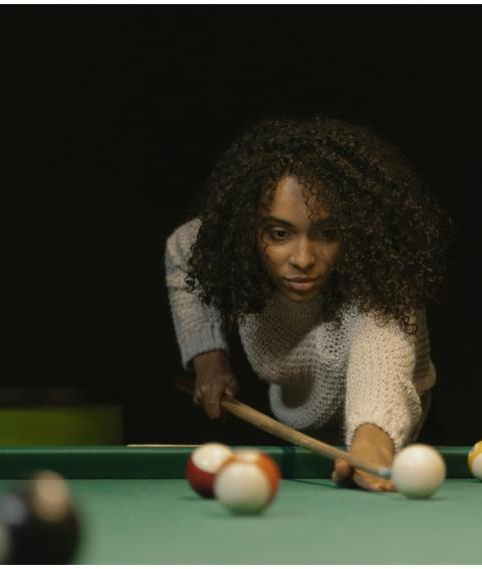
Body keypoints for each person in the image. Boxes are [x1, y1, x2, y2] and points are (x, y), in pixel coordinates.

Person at [165, 116, 449, 491]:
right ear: (249, 228)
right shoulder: (231, 248)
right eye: (280, 233)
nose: (303, 258)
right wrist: (207, 355)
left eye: (327, 234)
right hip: (297, 422)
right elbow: (184, 248)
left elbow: (381, 356)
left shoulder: (380, 289)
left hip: (391, 437)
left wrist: (371, 445)